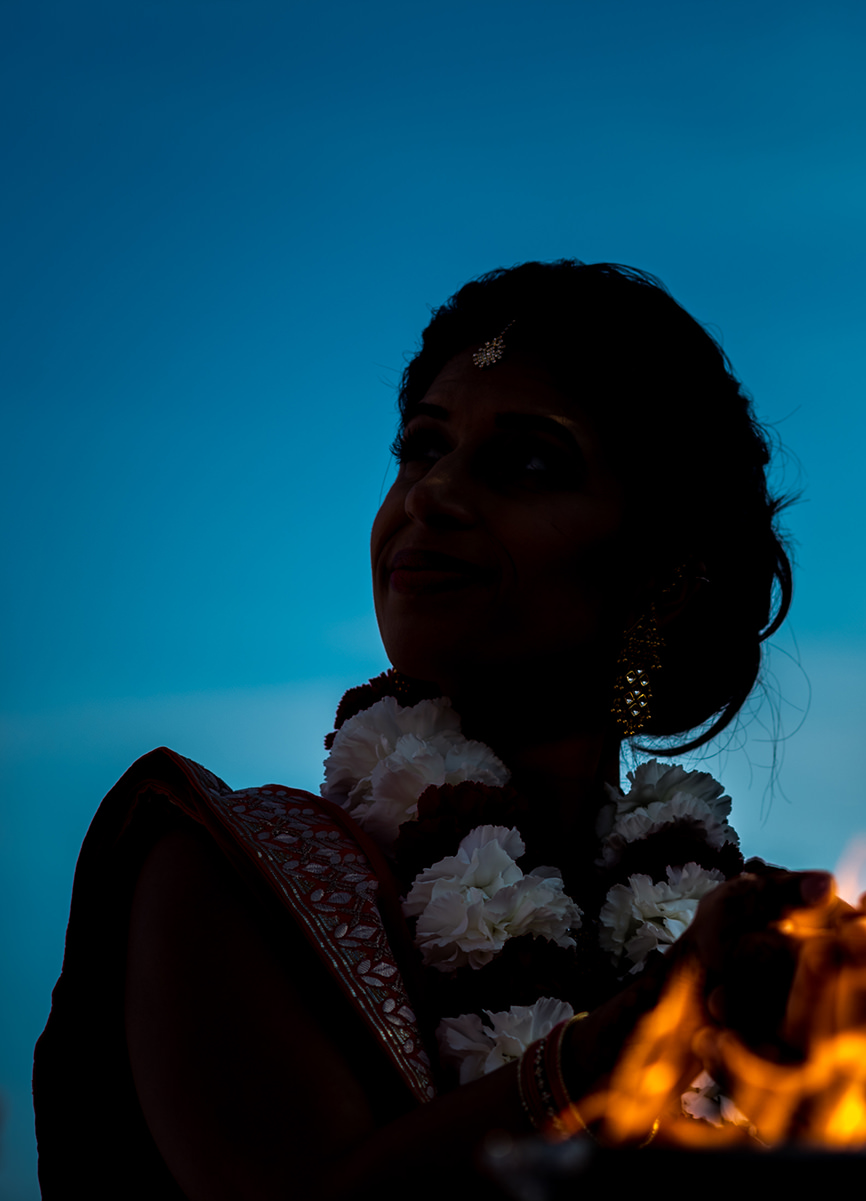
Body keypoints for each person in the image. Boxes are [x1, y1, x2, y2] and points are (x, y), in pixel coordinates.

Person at [33, 260, 819, 1199]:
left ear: (666, 571)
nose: (430, 496)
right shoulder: (228, 872)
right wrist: (621, 1046)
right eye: (421, 448)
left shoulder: (714, 939)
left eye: (525, 462)